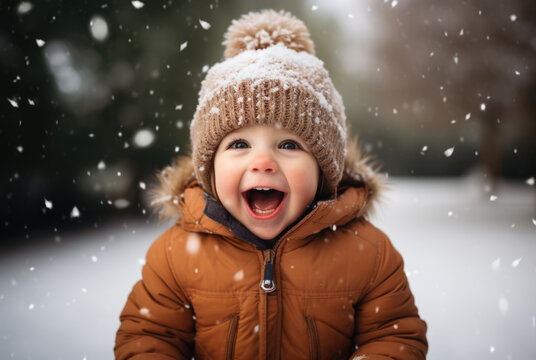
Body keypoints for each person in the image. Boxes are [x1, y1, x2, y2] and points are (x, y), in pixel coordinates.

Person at [115, 9, 428, 360]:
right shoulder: (175, 257)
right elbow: (148, 338)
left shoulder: (368, 254)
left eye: (289, 145)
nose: (262, 162)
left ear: (324, 170)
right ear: (210, 170)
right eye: (239, 145)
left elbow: (393, 337)